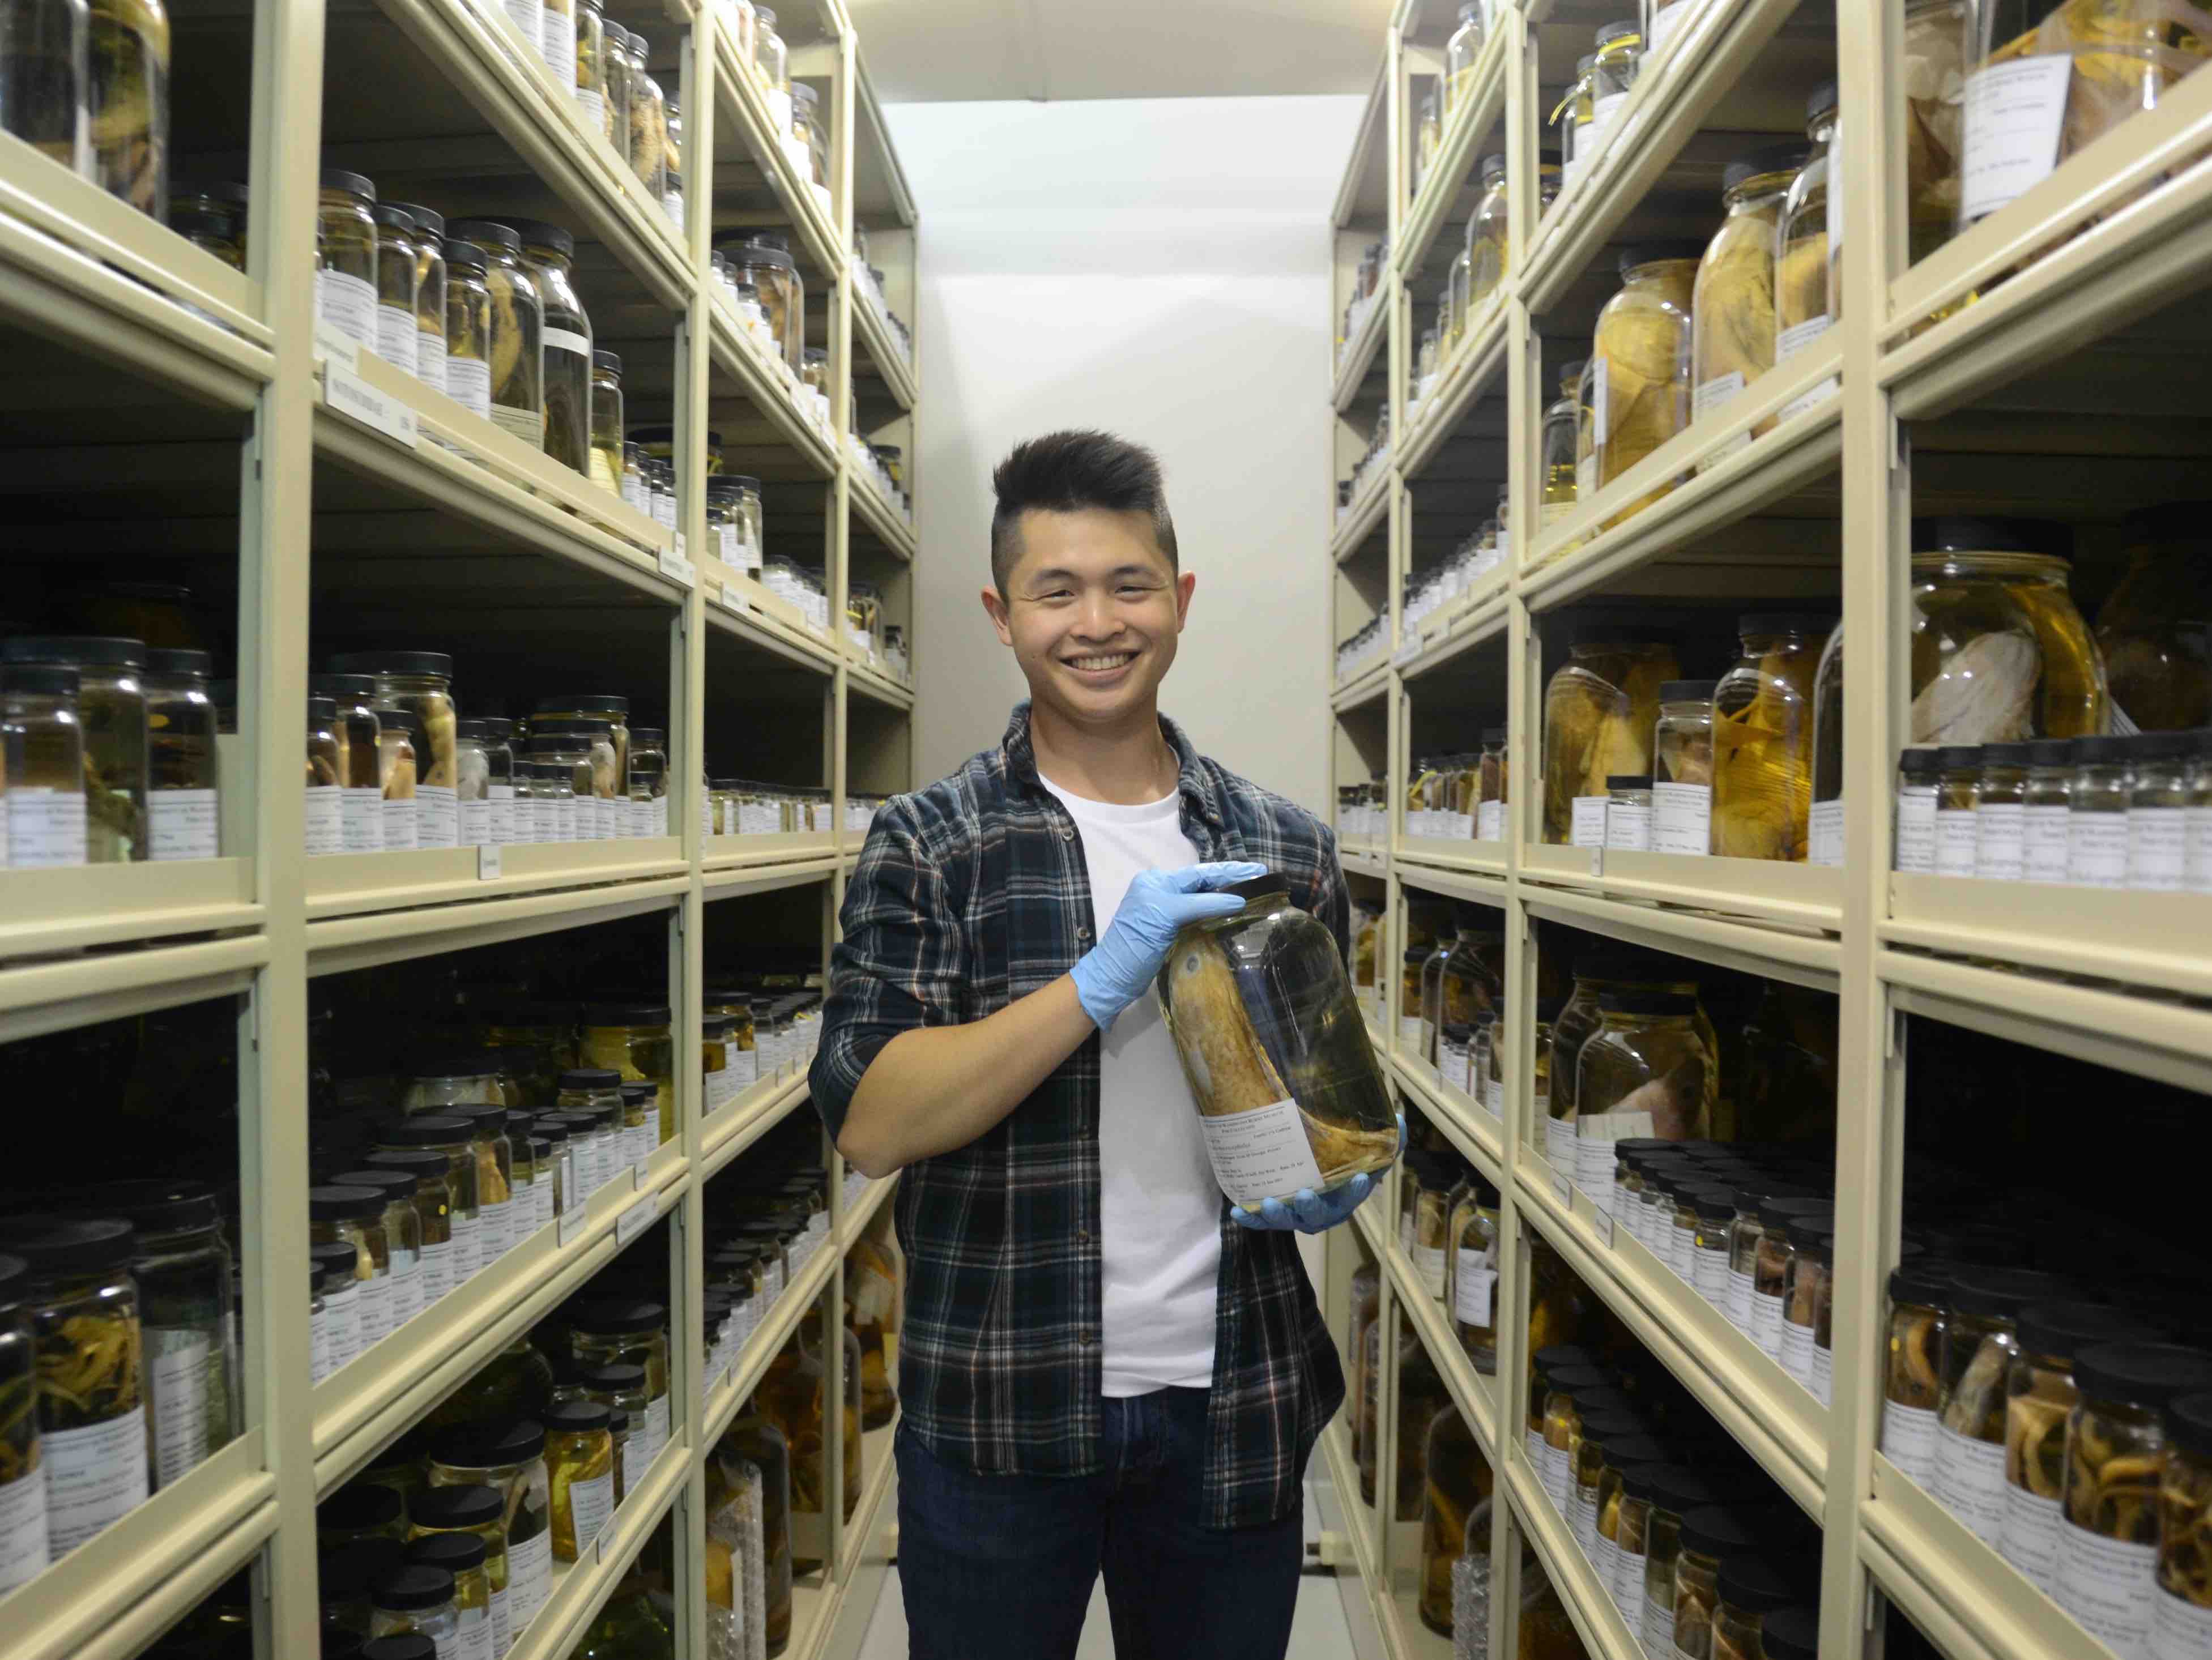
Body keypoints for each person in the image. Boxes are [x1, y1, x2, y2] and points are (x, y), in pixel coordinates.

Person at [809, 429, 1391, 1659]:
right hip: (1000, 1414)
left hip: (1233, 1406)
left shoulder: (1287, 848)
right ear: (1001, 613)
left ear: (1178, 602)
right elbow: (872, 1119)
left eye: (1129, 584)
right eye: (1055, 589)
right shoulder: (930, 843)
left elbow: (1325, 1091)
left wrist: (1331, 1170)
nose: (1097, 621)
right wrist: (1095, 980)